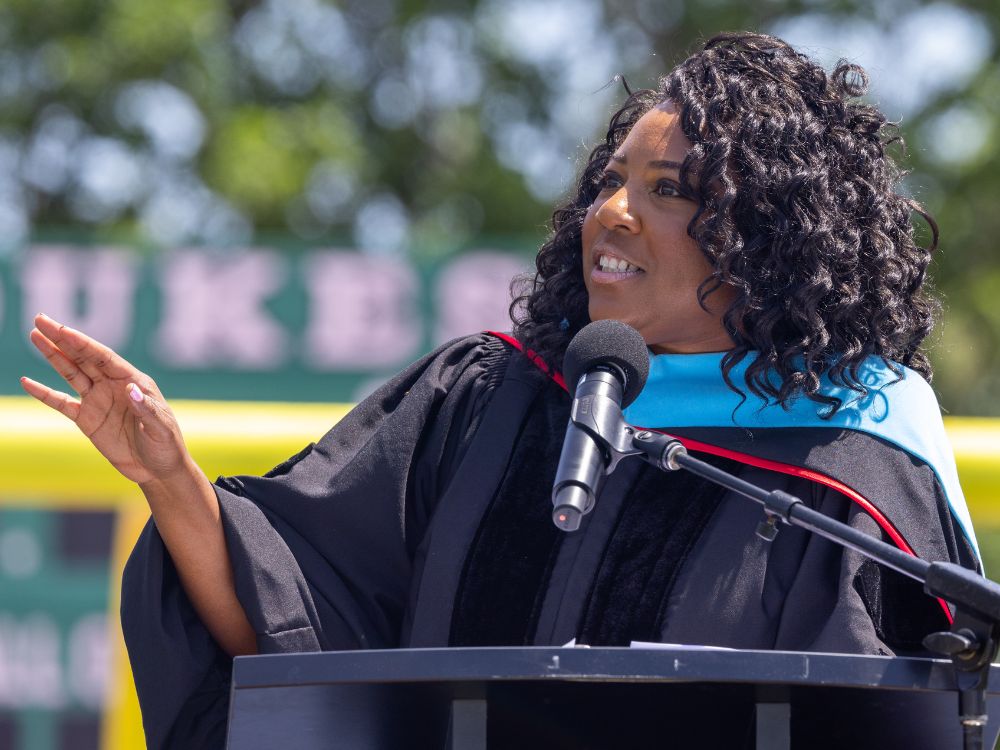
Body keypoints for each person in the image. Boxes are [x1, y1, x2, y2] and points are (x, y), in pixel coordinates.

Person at [21, 32, 980, 749]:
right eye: (612, 180)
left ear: (770, 240)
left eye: (670, 191)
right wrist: (173, 479)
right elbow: (294, 639)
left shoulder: (848, 468)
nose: (613, 213)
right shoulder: (485, 404)